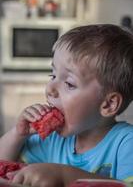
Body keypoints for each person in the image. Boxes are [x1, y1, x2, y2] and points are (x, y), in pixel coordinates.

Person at [0, 24, 133, 187]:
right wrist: (18, 134)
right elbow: (3, 165)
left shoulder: (126, 143)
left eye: (69, 84)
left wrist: (63, 175)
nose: (50, 88)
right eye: (53, 75)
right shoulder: (52, 140)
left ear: (108, 104)